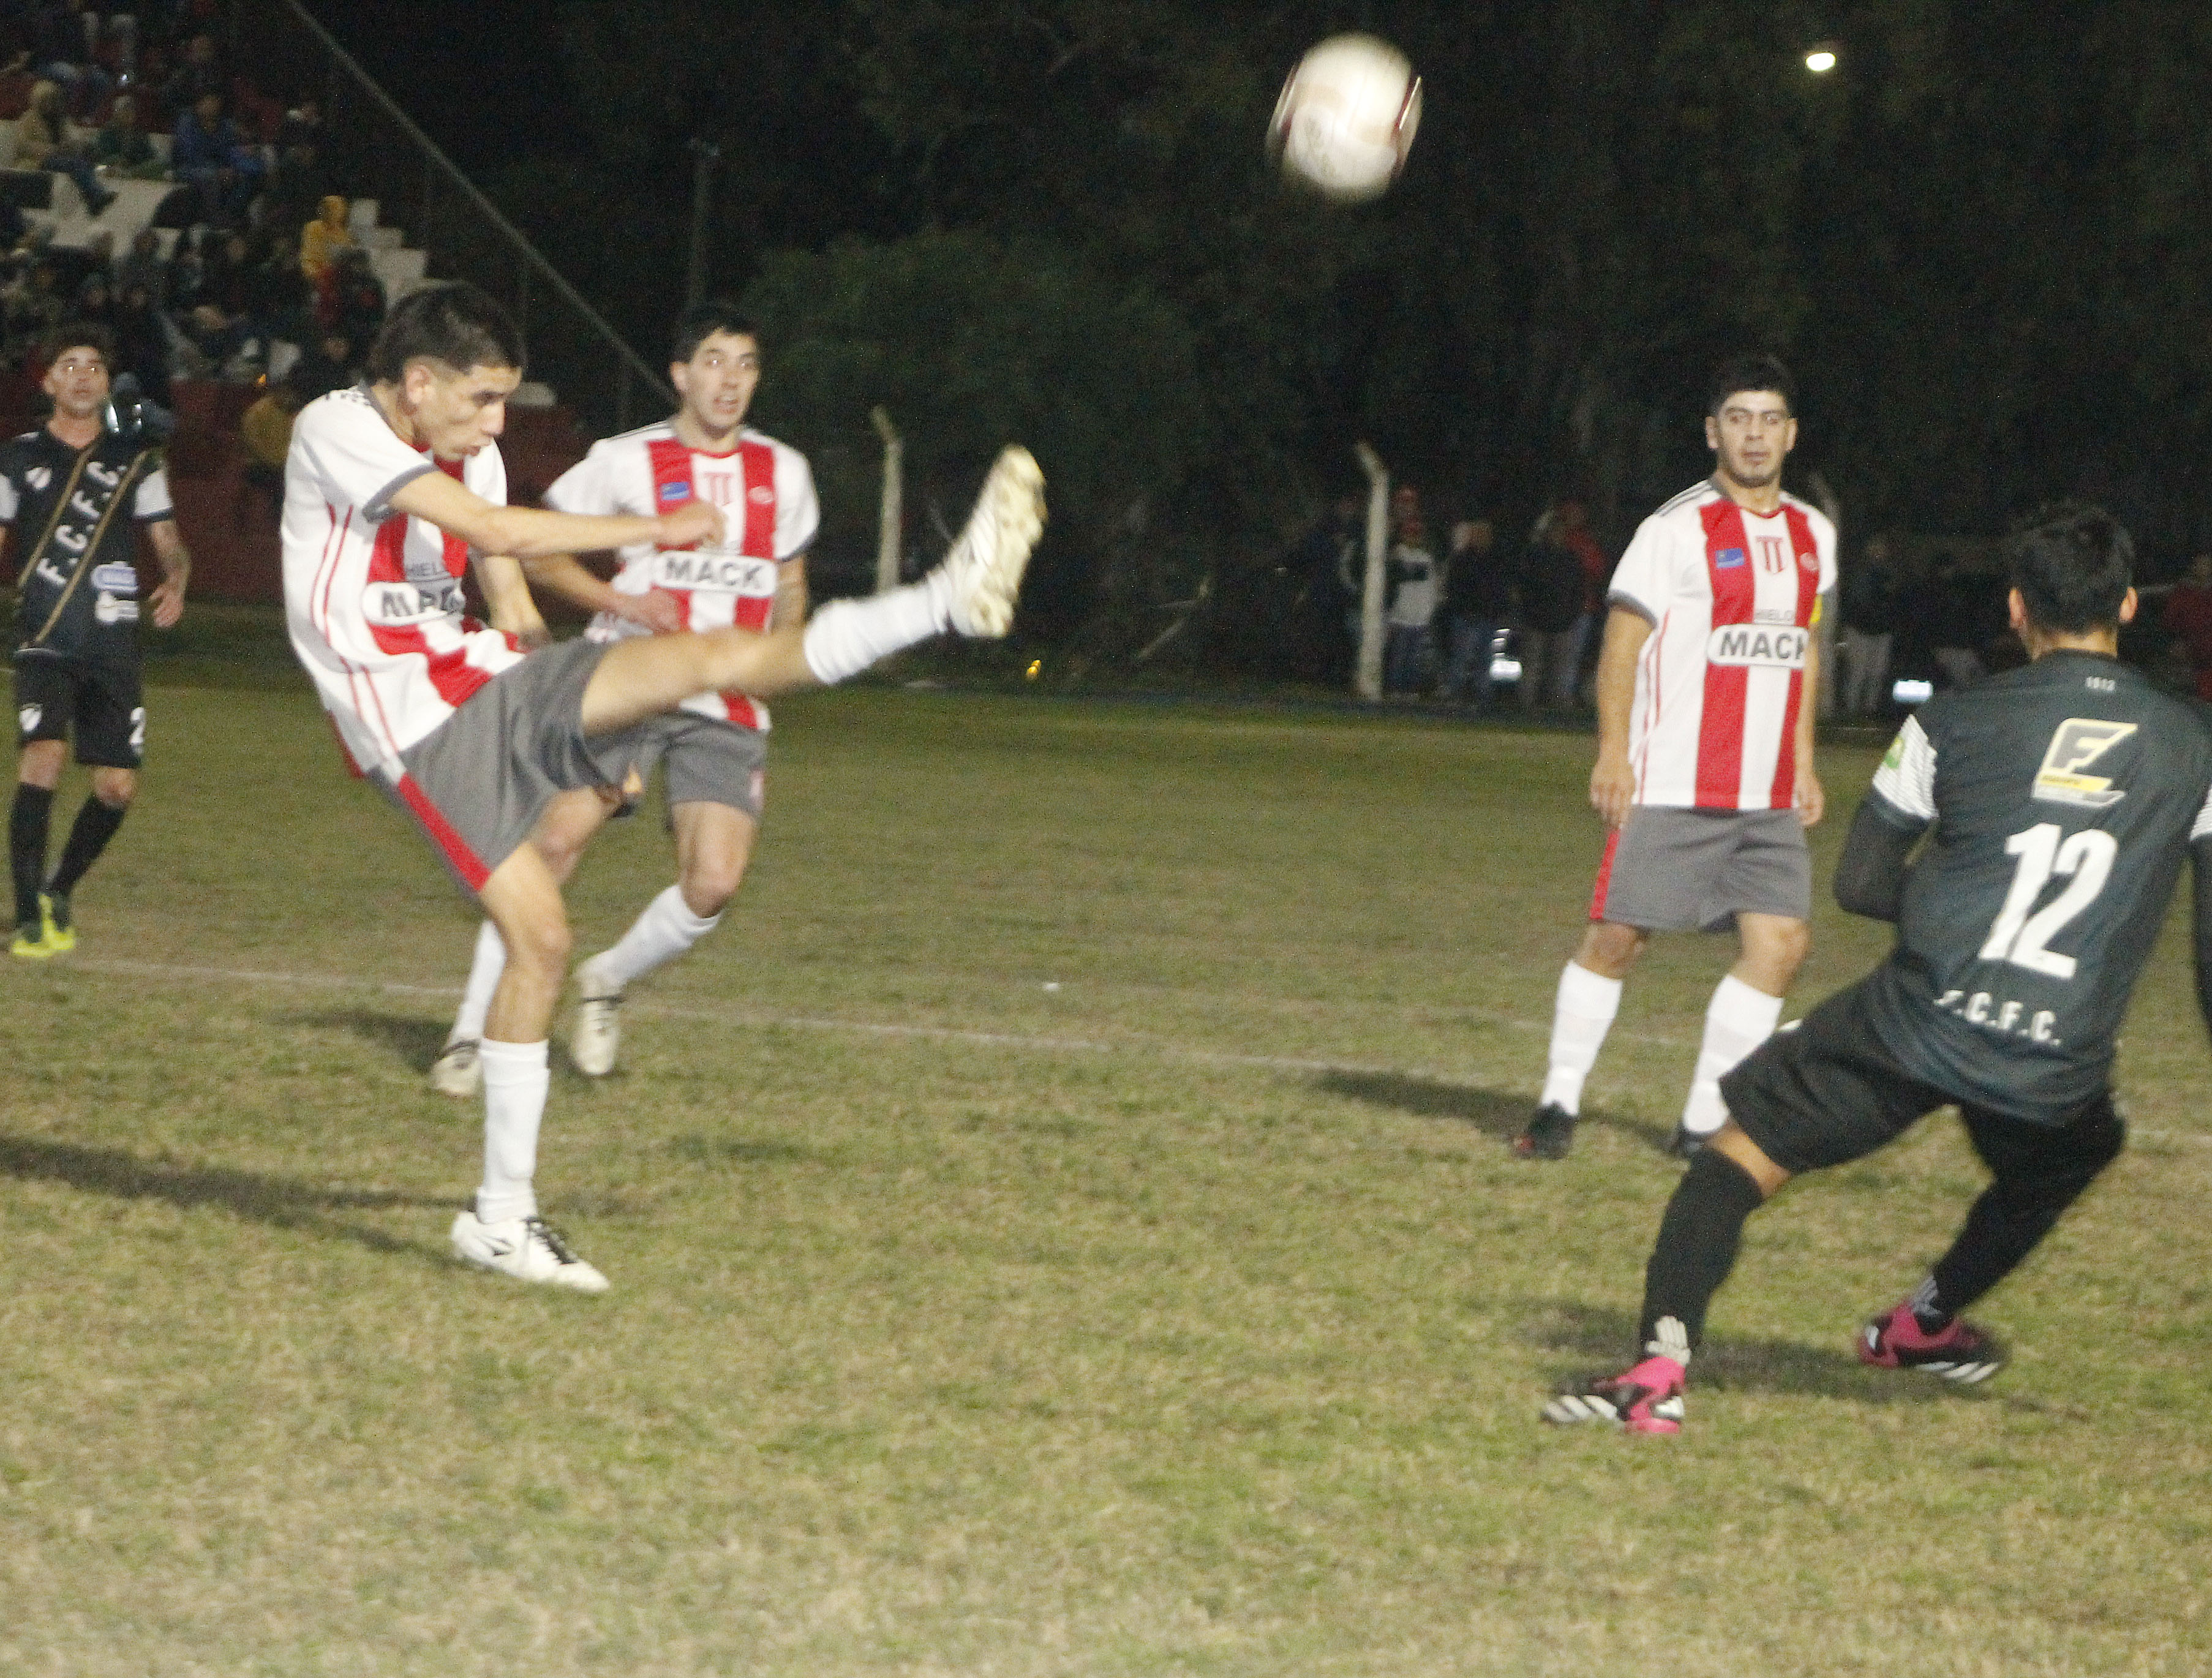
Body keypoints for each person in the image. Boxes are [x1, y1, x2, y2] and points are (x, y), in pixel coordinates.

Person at [281, 282, 1044, 1292]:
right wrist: (659, 524)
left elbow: (504, 588)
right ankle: (503, 1219)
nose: (497, 423)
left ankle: (944, 601)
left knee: (713, 655)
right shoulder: (333, 428)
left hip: (486, 683)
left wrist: (563, 707)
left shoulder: (469, 446)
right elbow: (501, 534)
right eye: (483, 401)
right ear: (418, 382)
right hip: (412, 727)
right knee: (543, 937)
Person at [1544, 503, 2211, 1434]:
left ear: (2017, 610)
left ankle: (1658, 1369)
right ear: (2130, 607)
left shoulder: (1950, 722)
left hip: (1917, 1019)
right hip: (2053, 1053)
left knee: (1732, 1161)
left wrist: (1961, 913)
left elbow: (1861, 884)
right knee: (2075, 1149)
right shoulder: (2196, 747)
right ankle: (1920, 1325)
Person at [428, 299, 816, 1094]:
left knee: (713, 884)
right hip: (623, 682)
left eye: (744, 364)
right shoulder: (624, 459)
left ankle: (607, 980)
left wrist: (783, 651)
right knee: (554, 845)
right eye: (713, 361)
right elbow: (537, 553)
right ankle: (470, 1034)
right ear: (679, 374)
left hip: (727, 699)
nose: (729, 380)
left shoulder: (786, 472)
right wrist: (622, 604)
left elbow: (789, 583)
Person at [1514, 355, 1834, 1161]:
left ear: (1790, 434)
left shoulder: (1812, 535)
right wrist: (1612, 752)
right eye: (1738, 419)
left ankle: (1700, 1125)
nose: (1754, 435)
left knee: (1781, 948)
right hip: (1675, 777)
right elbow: (1621, 649)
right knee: (1619, 940)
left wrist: (1802, 758)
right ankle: (1557, 1105)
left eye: (1768, 421)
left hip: (1764, 791)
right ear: (1712, 432)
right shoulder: (1674, 530)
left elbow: (1802, 650)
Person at [6, 326, 191, 957]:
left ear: (108, 385)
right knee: (44, 759)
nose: (83, 375)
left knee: (115, 787)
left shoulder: (136, 461)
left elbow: (168, 539)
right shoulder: (18, 457)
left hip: (113, 642)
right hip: (45, 635)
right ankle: (30, 916)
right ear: (49, 381)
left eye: (94, 367)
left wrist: (176, 579)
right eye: (69, 365)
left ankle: (60, 889)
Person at [1514, 506, 1583, 712]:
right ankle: (1526, 706)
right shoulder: (1535, 557)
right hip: (1536, 620)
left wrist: (1571, 615)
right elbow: (1524, 588)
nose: (1557, 536)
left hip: (1563, 621)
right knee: (1532, 667)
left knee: (1560, 669)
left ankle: (1558, 709)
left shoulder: (1571, 559)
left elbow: (1577, 591)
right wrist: (1529, 613)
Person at [13, 80, 116, 217]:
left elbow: (72, 140)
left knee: (83, 160)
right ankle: (95, 196)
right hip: (38, 162)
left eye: (54, 100)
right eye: (48, 100)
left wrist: (74, 146)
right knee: (73, 164)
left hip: (61, 158)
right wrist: (53, 149)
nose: (52, 104)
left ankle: (94, 199)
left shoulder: (61, 121)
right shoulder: (28, 120)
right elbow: (22, 146)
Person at [1438, 516, 1511, 706]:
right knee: (1461, 657)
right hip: (1466, 616)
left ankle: (1482, 695)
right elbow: (1453, 587)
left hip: (1488, 617)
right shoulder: (1462, 559)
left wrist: (1498, 610)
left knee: (1485, 659)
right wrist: (1463, 609)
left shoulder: (1496, 560)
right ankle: (1455, 694)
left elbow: (1501, 588)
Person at [1837, 531, 1901, 715]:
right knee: (1858, 672)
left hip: (1881, 629)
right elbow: (1858, 600)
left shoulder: (1890, 571)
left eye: (1882, 548)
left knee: (1877, 674)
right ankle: (1851, 711)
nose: (1879, 552)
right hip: (1860, 629)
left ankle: (1869, 710)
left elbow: (1894, 600)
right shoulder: (1861, 572)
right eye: (1875, 547)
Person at [1382, 484, 1435, 696]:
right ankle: (1395, 688)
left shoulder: (1427, 558)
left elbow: (1430, 588)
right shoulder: (1397, 554)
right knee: (1399, 655)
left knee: (1414, 657)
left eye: (1416, 534)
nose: (1413, 538)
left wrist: (1428, 613)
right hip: (1401, 616)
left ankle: (1409, 689)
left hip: (1420, 617)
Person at [2159, 552, 2212, 702]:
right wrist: (2178, 643)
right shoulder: (2183, 592)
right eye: (2199, 564)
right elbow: (2169, 623)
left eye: (2206, 564)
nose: (2203, 568)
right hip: (2187, 651)